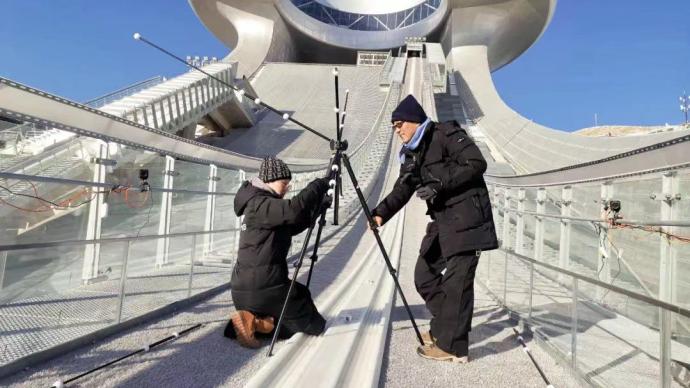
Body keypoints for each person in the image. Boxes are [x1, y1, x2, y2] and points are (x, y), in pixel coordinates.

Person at [371, 95, 498, 362]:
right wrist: (380, 213)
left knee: (457, 284)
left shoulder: (446, 133)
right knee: (423, 274)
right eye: (394, 127)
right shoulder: (413, 154)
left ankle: (453, 346)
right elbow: (403, 187)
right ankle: (446, 328)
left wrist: (439, 184)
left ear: (415, 121)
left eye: (399, 125)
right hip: (443, 223)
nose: (397, 131)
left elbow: (477, 163)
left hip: (467, 219)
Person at [225, 156, 331, 348]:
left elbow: (292, 224)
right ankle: (253, 322)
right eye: (284, 183)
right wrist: (318, 185)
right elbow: (292, 210)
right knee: (314, 325)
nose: (287, 188)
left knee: (301, 294)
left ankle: (249, 321)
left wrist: (317, 207)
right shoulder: (260, 204)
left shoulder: (260, 205)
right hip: (264, 287)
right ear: (270, 180)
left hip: (248, 287)